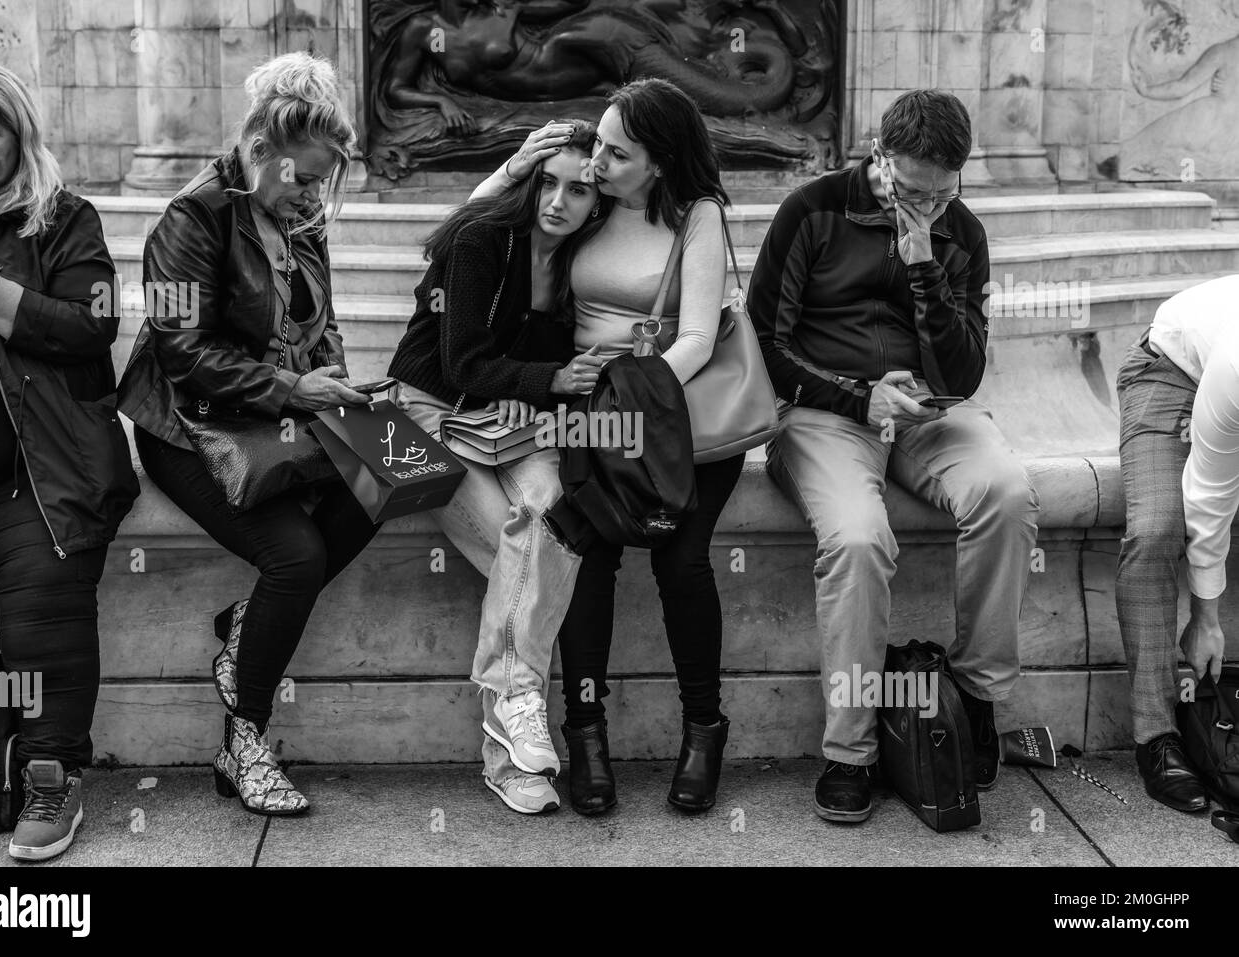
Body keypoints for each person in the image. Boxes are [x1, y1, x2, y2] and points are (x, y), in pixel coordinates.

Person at [748, 89, 1039, 824]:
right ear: (879, 158)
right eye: (913, 190)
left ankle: (974, 699)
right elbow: (763, 346)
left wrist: (924, 269)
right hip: (825, 413)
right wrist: (858, 398)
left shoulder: (960, 232)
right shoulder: (811, 211)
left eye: (944, 191)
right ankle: (850, 750)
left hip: (928, 414)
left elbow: (963, 372)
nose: (930, 204)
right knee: (856, 537)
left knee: (1006, 491)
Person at [117, 53, 377, 816]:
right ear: (259, 149)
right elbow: (181, 351)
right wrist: (296, 388)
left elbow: (317, 324)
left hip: (282, 416)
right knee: (294, 556)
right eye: (300, 177)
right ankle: (244, 744)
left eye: (321, 182)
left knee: (391, 478)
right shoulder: (188, 219)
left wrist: (336, 387)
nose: (309, 197)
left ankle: (243, 629)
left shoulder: (299, 213)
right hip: (187, 427)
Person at [476, 79, 739, 816]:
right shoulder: (587, 203)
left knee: (681, 558)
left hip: (676, 417)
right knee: (579, 548)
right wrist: (515, 166)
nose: (597, 164)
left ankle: (703, 729)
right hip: (588, 415)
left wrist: (632, 394)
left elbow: (694, 338)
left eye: (617, 153)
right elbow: (474, 228)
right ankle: (585, 734)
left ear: (658, 163)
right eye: (600, 142)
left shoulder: (698, 216)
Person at [0, 62, 138, 860]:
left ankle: (51, 780)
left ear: (20, 138)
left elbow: (92, 328)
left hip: (37, 467)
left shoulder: (62, 221)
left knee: (47, 617)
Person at [386, 119, 608, 815]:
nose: (558, 201)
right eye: (547, 181)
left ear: (597, 201)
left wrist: (519, 387)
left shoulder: (581, 267)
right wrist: (539, 381)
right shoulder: (484, 241)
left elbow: (505, 370)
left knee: (552, 514)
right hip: (423, 415)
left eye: (578, 189)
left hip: (505, 419)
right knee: (524, 544)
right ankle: (514, 736)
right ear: (527, 179)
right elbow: (460, 362)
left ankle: (509, 739)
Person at [1116, 274, 1234, 814]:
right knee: (1159, 526)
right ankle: (1156, 737)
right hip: (1170, 370)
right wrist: (1206, 618)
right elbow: (1209, 492)